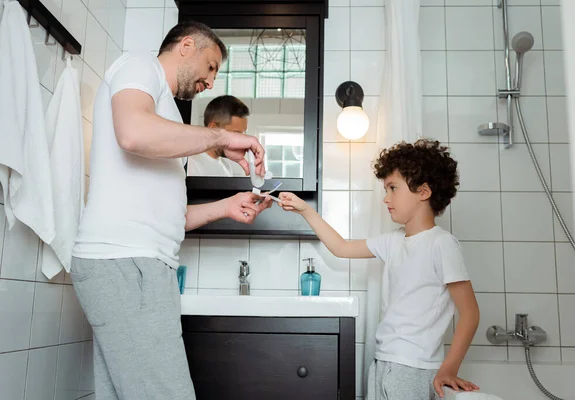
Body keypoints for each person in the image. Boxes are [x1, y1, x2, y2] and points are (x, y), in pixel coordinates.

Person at [70, 21, 272, 400]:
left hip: (136, 263)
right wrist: (219, 136)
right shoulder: (138, 65)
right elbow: (132, 133)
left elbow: (170, 218)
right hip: (125, 262)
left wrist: (226, 206)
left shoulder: (168, 118)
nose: (211, 82)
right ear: (187, 46)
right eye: (210, 67)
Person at [278, 139, 480, 399]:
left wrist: (449, 369)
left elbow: (470, 313)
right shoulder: (393, 241)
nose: (386, 198)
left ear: (424, 191)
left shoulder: (442, 244)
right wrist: (306, 210)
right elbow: (341, 247)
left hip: (415, 367)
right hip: (383, 362)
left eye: (393, 188)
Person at [187, 95, 249, 177]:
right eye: (236, 134)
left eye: (243, 134)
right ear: (213, 128)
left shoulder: (226, 166)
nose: (240, 142)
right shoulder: (192, 164)